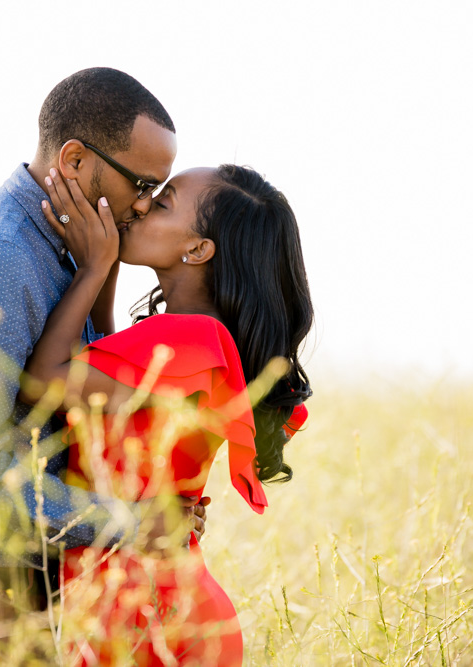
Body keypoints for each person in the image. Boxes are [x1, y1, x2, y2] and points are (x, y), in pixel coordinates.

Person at [0, 68, 211, 662]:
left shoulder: (68, 247)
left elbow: (82, 393)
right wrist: (130, 523)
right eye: (143, 185)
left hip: (12, 589)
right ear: (74, 160)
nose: (148, 205)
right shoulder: (0, 258)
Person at [18, 161, 313, 665]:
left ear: (197, 250)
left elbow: (42, 381)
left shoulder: (186, 336)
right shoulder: (203, 339)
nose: (140, 205)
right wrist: (106, 266)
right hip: (164, 600)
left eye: (163, 202)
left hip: (138, 611)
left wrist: (92, 267)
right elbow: (109, 379)